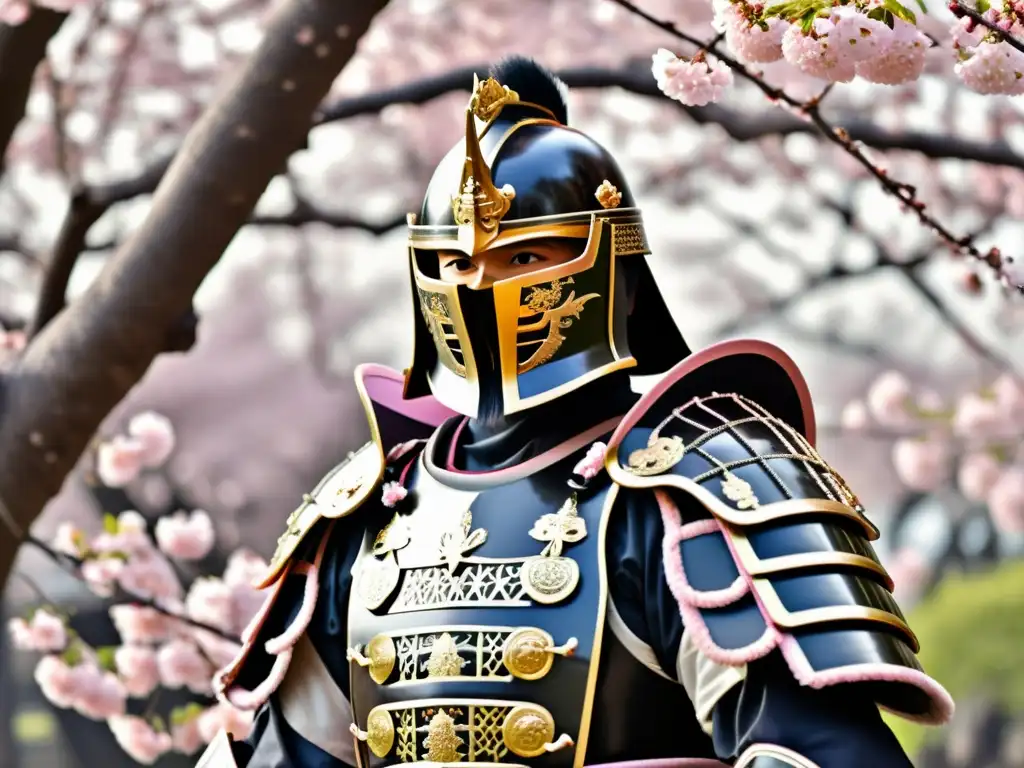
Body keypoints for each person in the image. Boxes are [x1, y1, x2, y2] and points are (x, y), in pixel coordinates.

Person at [195, 57, 953, 768]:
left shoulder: (698, 494)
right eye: (455, 264)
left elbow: (814, 754)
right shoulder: (360, 519)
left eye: (524, 258)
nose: (480, 289)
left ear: (609, 263)